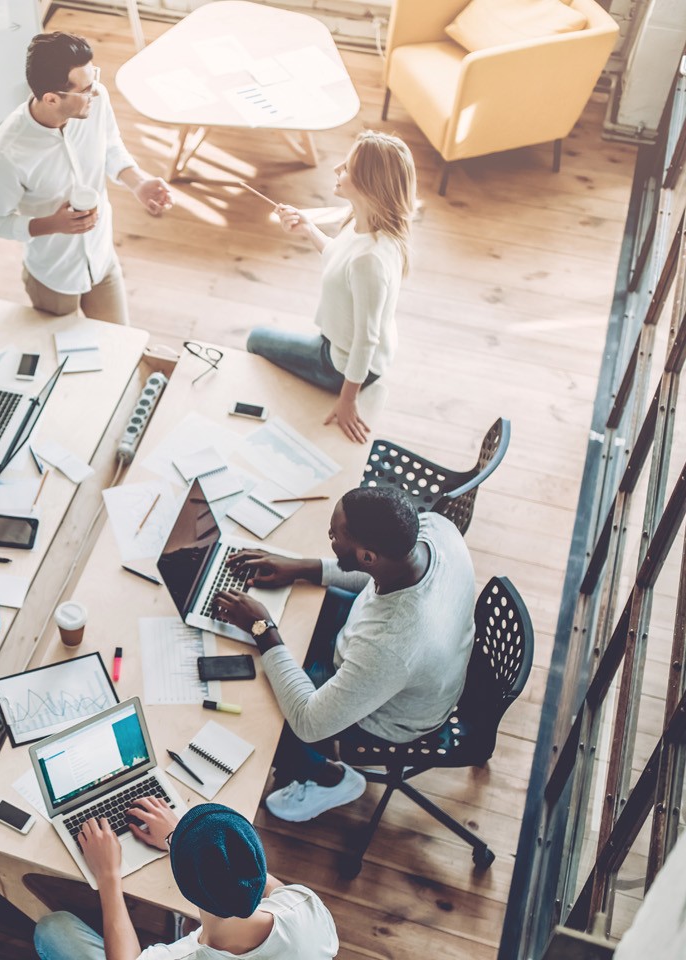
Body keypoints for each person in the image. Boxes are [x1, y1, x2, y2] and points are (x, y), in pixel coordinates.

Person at [215, 486, 476, 823]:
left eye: (334, 535)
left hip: (392, 714)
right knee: (292, 630)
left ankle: (330, 778)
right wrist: (301, 568)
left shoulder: (392, 644)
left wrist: (262, 627)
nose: (329, 537)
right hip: (386, 649)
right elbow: (376, 577)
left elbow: (310, 723)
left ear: (367, 557)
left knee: (262, 715)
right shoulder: (434, 529)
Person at [0, 31, 174, 326]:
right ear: (51, 98)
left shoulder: (95, 99)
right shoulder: (6, 154)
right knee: (62, 358)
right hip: (53, 275)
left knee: (118, 344)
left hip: (102, 259)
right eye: (84, 89)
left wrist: (138, 183)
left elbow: (110, 145)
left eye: (93, 78)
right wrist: (52, 225)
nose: (94, 91)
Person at [245, 130, 416, 443]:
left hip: (340, 363)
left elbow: (366, 339)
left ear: (369, 183)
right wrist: (309, 228)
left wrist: (347, 399)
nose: (337, 168)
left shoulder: (370, 261)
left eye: (347, 167)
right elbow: (340, 261)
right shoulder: (366, 223)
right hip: (353, 348)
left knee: (256, 339)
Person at [33, 802, 338, 960]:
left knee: (53, 928)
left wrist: (108, 876)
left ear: (184, 886)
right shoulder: (305, 906)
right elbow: (256, 877)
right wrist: (178, 839)